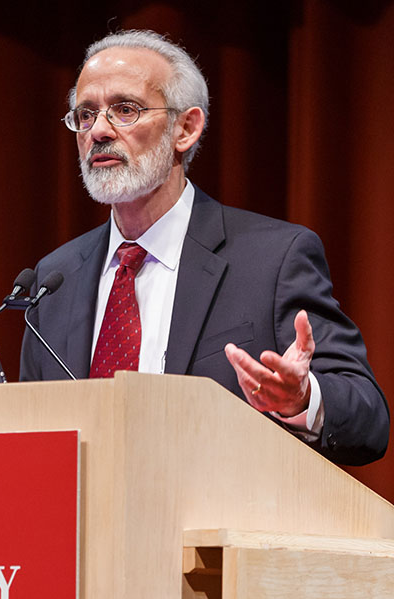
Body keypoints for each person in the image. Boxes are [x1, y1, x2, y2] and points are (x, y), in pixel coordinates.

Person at [19, 29, 388, 466]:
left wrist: (303, 399)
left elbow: (369, 420)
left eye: (124, 110)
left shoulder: (273, 260)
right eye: (85, 114)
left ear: (186, 128)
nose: (98, 131)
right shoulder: (54, 279)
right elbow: (31, 436)